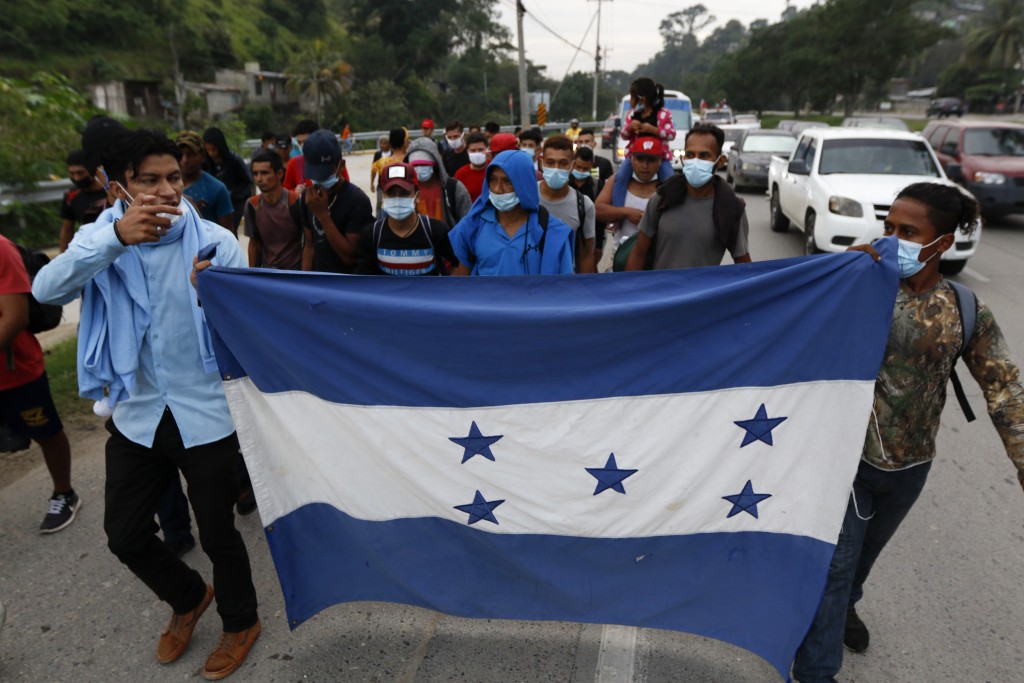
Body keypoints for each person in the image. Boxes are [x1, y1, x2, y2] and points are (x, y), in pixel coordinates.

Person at [32, 128, 261, 679]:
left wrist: (222, 295)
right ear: (119, 187)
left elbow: (254, 323)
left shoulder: (214, 242)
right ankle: (187, 598)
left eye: (174, 177)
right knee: (125, 534)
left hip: (205, 413)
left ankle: (241, 622)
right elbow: (45, 291)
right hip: (137, 413)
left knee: (218, 531)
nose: (166, 190)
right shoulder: (98, 240)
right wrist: (114, 239)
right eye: (149, 180)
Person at [791, 182, 1024, 683]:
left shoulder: (965, 310)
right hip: (847, 461)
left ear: (941, 243)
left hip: (910, 467)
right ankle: (815, 670)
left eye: (908, 232)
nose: (892, 239)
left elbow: (1005, 390)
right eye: (888, 228)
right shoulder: (857, 284)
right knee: (834, 569)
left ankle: (845, 607)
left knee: (859, 565)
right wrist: (839, 273)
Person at [0, 235, 79, 534]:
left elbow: (15, 316)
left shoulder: (1, 249)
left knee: (47, 432)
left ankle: (64, 492)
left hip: (16, 372)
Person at [626, 123, 752, 271]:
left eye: (704, 155)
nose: (695, 161)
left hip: (702, 294)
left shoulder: (731, 208)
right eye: (690, 155)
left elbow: (744, 265)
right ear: (682, 159)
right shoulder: (662, 198)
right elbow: (639, 252)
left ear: (721, 161)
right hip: (661, 292)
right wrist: (630, 290)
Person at [449, 150, 574, 276]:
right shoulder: (471, 226)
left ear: (524, 184)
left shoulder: (553, 233)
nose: (498, 189)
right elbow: (460, 286)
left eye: (507, 181)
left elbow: (564, 289)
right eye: (492, 180)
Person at [356, 162, 459, 276]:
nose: (397, 199)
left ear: (417, 196)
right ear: (383, 196)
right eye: (391, 193)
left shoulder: (436, 231)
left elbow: (460, 263)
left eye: (404, 193)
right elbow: (363, 279)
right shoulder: (372, 234)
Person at [296, 129, 374, 274]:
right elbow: (309, 246)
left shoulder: (357, 201)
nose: (319, 179)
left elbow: (349, 257)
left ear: (341, 165)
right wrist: (304, 283)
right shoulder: (308, 197)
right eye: (314, 174)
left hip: (345, 286)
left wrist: (323, 216)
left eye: (324, 174)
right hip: (318, 282)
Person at [595, 135, 662, 271]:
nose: (644, 165)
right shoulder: (617, 182)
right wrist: (627, 213)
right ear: (631, 159)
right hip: (621, 257)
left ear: (660, 161)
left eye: (651, 160)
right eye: (639, 159)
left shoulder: (668, 186)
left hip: (657, 261)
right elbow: (598, 210)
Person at [538, 134, 596, 273]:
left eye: (563, 163)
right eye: (550, 163)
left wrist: (584, 290)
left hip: (565, 284)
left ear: (572, 165)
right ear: (541, 162)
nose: (556, 168)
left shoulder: (584, 205)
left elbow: (586, 254)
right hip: (530, 282)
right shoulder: (527, 196)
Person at [613, 77, 675, 206]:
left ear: (642, 99)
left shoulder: (664, 114)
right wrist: (630, 127)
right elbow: (624, 135)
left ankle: (670, 211)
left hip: (660, 157)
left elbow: (671, 134)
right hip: (635, 157)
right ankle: (617, 213)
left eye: (632, 97)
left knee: (670, 180)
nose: (630, 101)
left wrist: (655, 130)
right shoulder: (631, 114)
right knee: (620, 177)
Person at [245, 150, 303, 270]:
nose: (259, 179)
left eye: (264, 173)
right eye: (255, 174)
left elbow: (309, 243)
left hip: (296, 273)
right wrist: (254, 276)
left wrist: (307, 277)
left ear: (280, 174)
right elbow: (254, 244)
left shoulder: (296, 201)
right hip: (269, 274)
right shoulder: (252, 205)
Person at [404, 136, 472, 229]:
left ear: (435, 163)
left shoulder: (453, 188)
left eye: (424, 164)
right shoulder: (405, 190)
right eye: (415, 165)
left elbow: (467, 221)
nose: (419, 168)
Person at [176, 131, 234, 232]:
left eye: (190, 154)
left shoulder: (217, 188)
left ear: (202, 156)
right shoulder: (165, 187)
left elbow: (228, 232)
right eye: (181, 154)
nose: (185, 159)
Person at [202, 127, 253, 233]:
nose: (211, 153)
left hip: (234, 204)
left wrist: (232, 193)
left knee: (229, 232)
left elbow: (247, 183)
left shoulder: (234, 160)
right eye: (208, 150)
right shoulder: (205, 162)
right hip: (212, 204)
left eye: (213, 149)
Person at [60, 149, 109, 252]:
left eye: (80, 173)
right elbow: (67, 230)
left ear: (92, 170)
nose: (76, 178)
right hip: (89, 249)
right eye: (72, 173)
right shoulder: (71, 196)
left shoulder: (110, 192)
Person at [371, 128, 408, 208]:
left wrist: (371, 184)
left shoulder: (381, 162)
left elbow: (373, 170)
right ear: (404, 143)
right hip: (405, 205)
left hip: (388, 205)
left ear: (390, 144)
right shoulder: (409, 161)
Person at [283, 119, 318, 191]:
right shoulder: (294, 163)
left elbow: (345, 190)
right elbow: (286, 192)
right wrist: (295, 192)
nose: (302, 145)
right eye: (299, 142)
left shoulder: (333, 161)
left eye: (306, 141)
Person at [454, 133, 490, 202]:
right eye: (473, 150)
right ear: (467, 151)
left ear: (487, 149)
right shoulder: (460, 174)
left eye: (480, 150)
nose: (477, 153)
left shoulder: (494, 168)